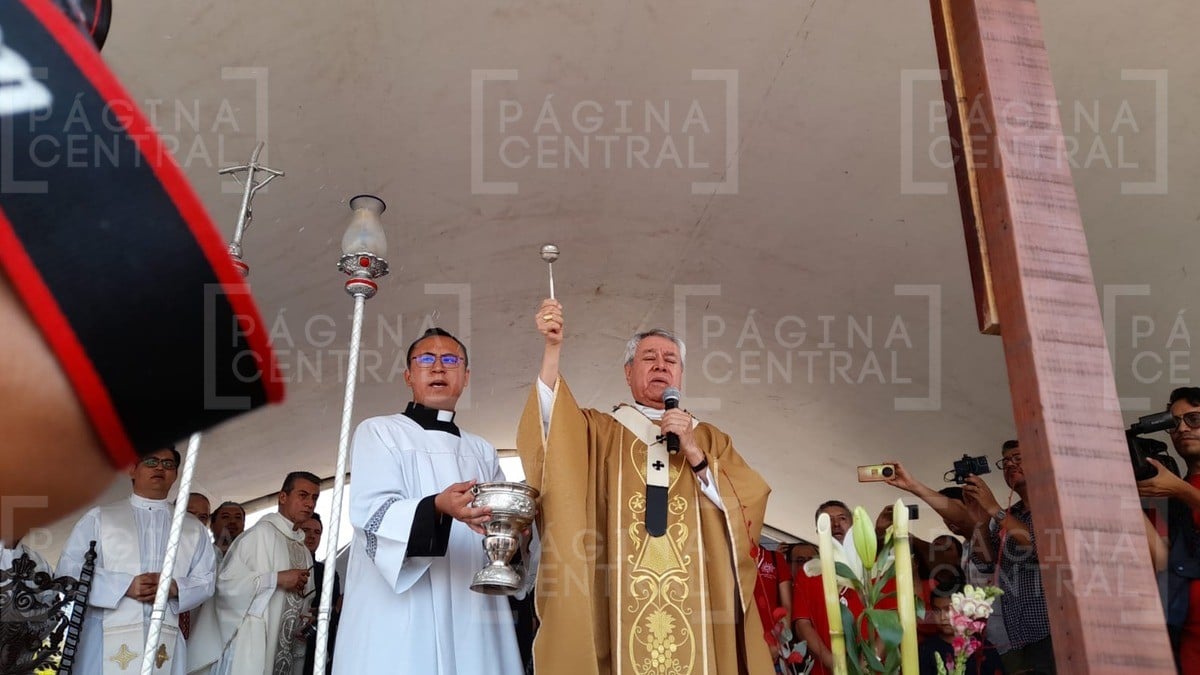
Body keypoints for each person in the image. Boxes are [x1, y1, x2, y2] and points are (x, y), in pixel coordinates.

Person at [517, 299, 773, 674]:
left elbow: (747, 505)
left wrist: (695, 454)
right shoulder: (600, 432)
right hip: (618, 593)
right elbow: (553, 432)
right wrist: (552, 349)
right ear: (628, 372)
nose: (660, 366)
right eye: (648, 358)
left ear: (680, 375)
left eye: (671, 360)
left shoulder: (709, 439)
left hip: (697, 599)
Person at [332, 328, 524, 675]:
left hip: (472, 606)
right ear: (408, 375)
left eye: (450, 360)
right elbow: (370, 514)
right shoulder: (379, 431)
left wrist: (517, 533)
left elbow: (500, 522)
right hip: (403, 611)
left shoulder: (481, 450)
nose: (438, 368)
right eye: (426, 360)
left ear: (465, 377)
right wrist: (436, 507)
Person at [56, 446, 216, 675]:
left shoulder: (192, 529)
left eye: (168, 464)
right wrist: (125, 586)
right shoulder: (100, 518)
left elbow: (206, 579)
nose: (160, 468)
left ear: (176, 474)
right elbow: (68, 571)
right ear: (132, 469)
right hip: (104, 635)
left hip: (164, 636)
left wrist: (174, 587)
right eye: (151, 461)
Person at [191, 472, 319, 675]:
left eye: (314, 498)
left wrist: (305, 619)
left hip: (285, 645)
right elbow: (226, 586)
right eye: (303, 495)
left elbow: (303, 599)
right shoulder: (260, 535)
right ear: (283, 497)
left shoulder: (303, 549)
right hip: (252, 643)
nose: (310, 503)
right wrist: (276, 578)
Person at [963, 440, 1055, 674]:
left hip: (1056, 631)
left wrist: (994, 508)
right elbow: (986, 562)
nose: (1010, 465)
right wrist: (980, 522)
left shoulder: (1054, 505)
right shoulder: (1009, 515)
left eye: (1018, 458)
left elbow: (1040, 547)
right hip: (1020, 636)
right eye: (1005, 462)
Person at [1137, 387, 1200, 670]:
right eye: (1174, 423)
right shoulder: (1169, 491)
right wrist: (1129, 498)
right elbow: (1163, 560)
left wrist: (1179, 490)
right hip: (1186, 631)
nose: (1182, 429)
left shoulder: (1176, 489)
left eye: (1194, 419)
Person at [300, 514, 340, 675]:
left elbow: (334, 610)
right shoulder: (280, 567)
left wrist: (319, 616)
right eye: (306, 530)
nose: (312, 536)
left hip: (313, 650)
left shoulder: (328, 573)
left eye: (317, 532)